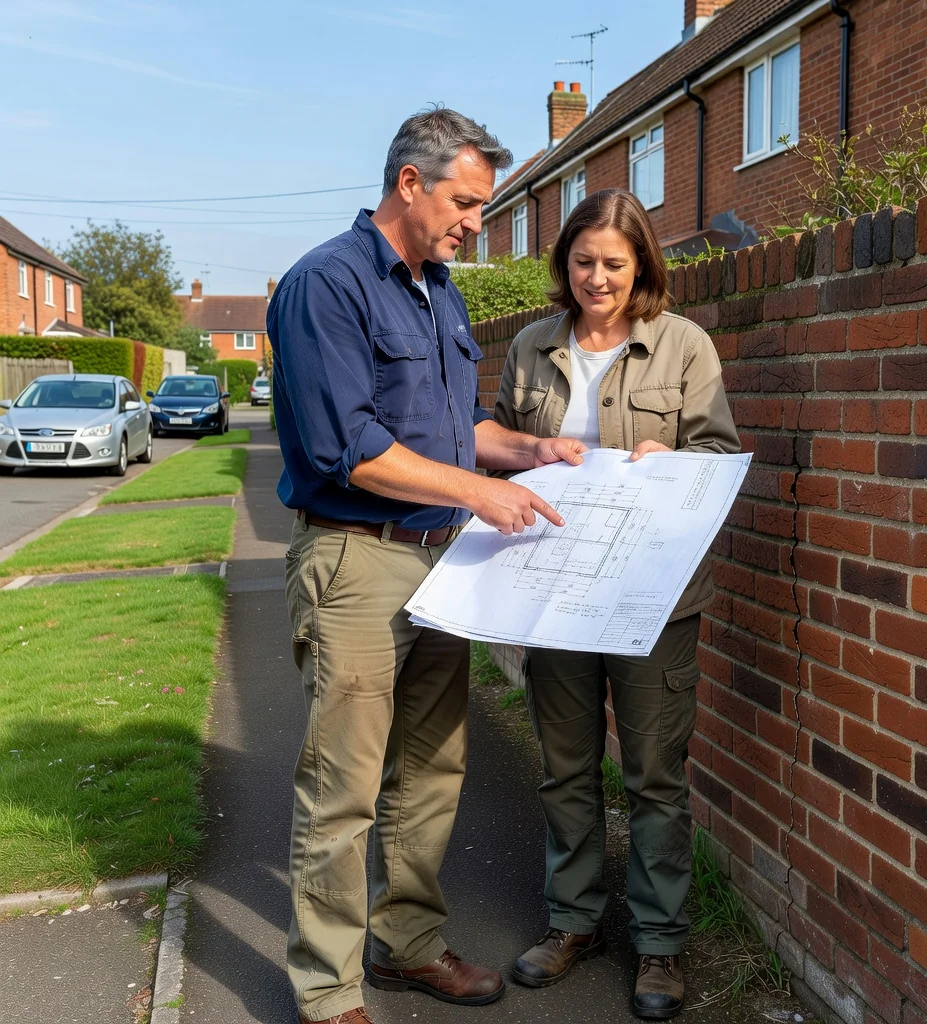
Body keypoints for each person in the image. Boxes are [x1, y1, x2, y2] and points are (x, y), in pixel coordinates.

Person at [267, 108, 587, 1024]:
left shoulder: (440, 292)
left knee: (431, 769)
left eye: (483, 206)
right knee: (346, 787)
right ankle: (328, 992)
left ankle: (405, 945)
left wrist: (523, 452)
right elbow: (350, 449)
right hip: (356, 561)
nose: (476, 223)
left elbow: (456, 430)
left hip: (442, 564)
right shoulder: (326, 285)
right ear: (410, 183)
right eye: (467, 201)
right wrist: (480, 494)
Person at [493, 188, 741, 1020]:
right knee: (565, 768)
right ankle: (573, 924)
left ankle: (661, 945)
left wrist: (665, 456)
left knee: (654, 777)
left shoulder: (683, 346)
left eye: (613, 263)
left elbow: (717, 455)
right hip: (552, 591)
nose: (597, 278)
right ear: (564, 263)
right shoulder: (530, 347)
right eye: (583, 261)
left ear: (641, 267)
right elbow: (494, 449)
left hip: (651, 598)